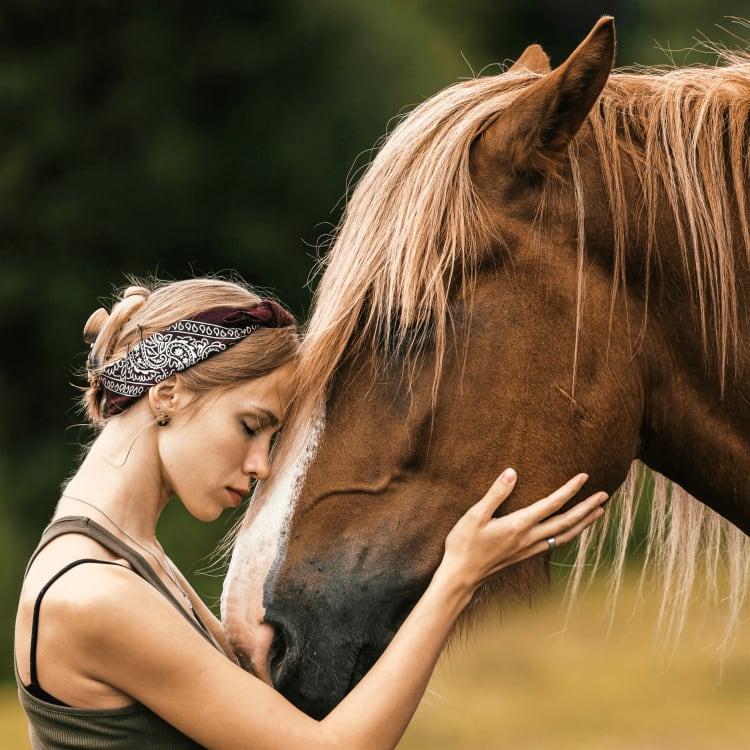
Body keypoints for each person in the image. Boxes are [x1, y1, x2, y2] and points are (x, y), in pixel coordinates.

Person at [14, 276, 608, 750]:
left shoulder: (129, 559)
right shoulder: (93, 597)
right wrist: (457, 576)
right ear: (167, 394)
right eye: (251, 427)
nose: (262, 465)